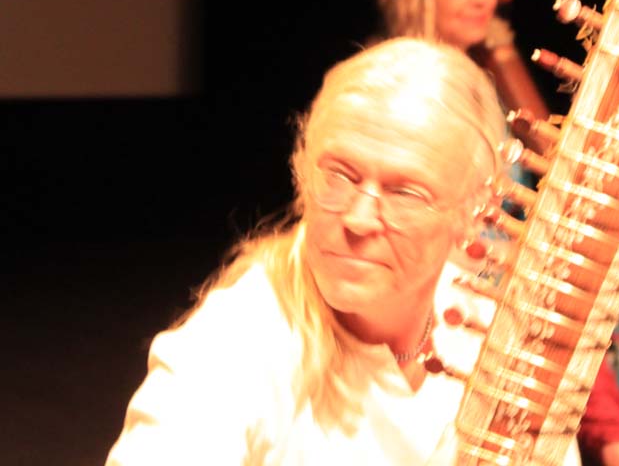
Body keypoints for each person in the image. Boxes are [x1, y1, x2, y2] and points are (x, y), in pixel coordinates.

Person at [104, 37, 581, 465]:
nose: (357, 219)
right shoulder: (236, 342)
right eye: (339, 175)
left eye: (405, 193)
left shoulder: (488, 334)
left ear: (477, 211)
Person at [372, 0, 619, 466]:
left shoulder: (486, 79)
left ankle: (618, 435)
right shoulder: (398, 84)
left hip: (508, 276)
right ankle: (617, 442)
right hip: (439, 281)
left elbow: (555, 181)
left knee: (577, 297)